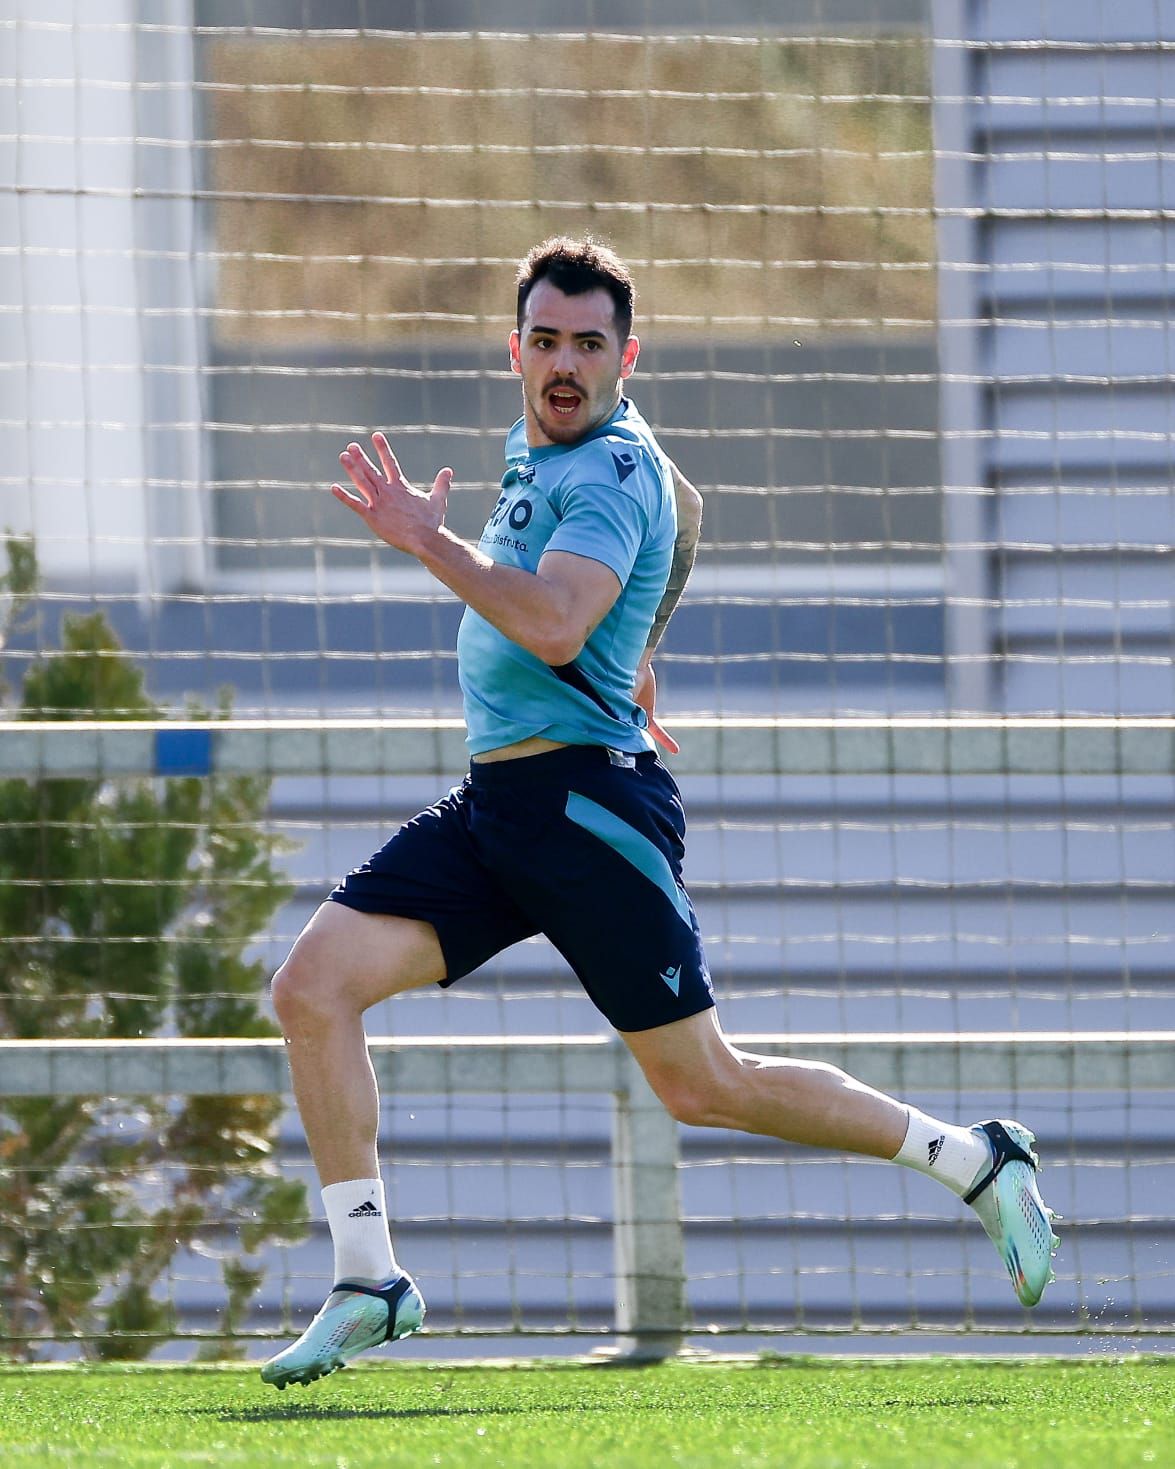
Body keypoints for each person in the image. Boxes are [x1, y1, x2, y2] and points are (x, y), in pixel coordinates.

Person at [261, 237, 1058, 1390]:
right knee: (310, 986)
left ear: (626, 355)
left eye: (589, 344)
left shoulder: (606, 470)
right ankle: (368, 1278)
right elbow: (692, 509)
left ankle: (972, 1158)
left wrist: (428, 541)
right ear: (517, 349)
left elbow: (549, 622)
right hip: (498, 805)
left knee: (702, 1086)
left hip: (589, 806)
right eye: (545, 341)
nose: (565, 364)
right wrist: (646, 643)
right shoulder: (552, 444)